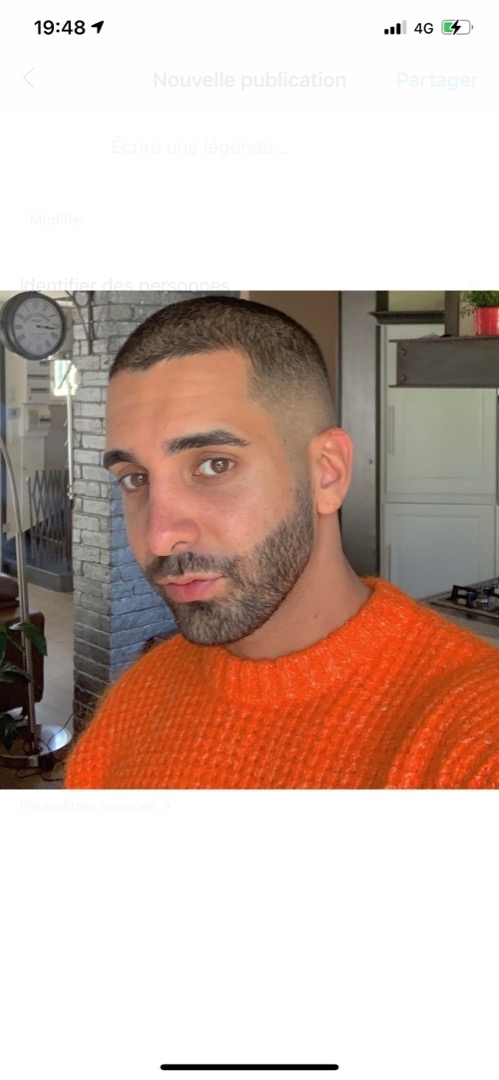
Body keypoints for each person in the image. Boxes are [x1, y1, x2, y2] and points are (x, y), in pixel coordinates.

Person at [64, 296, 499, 789]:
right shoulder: (135, 701)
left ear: (327, 473)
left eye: (215, 465)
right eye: (135, 478)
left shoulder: (472, 738)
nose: (161, 536)